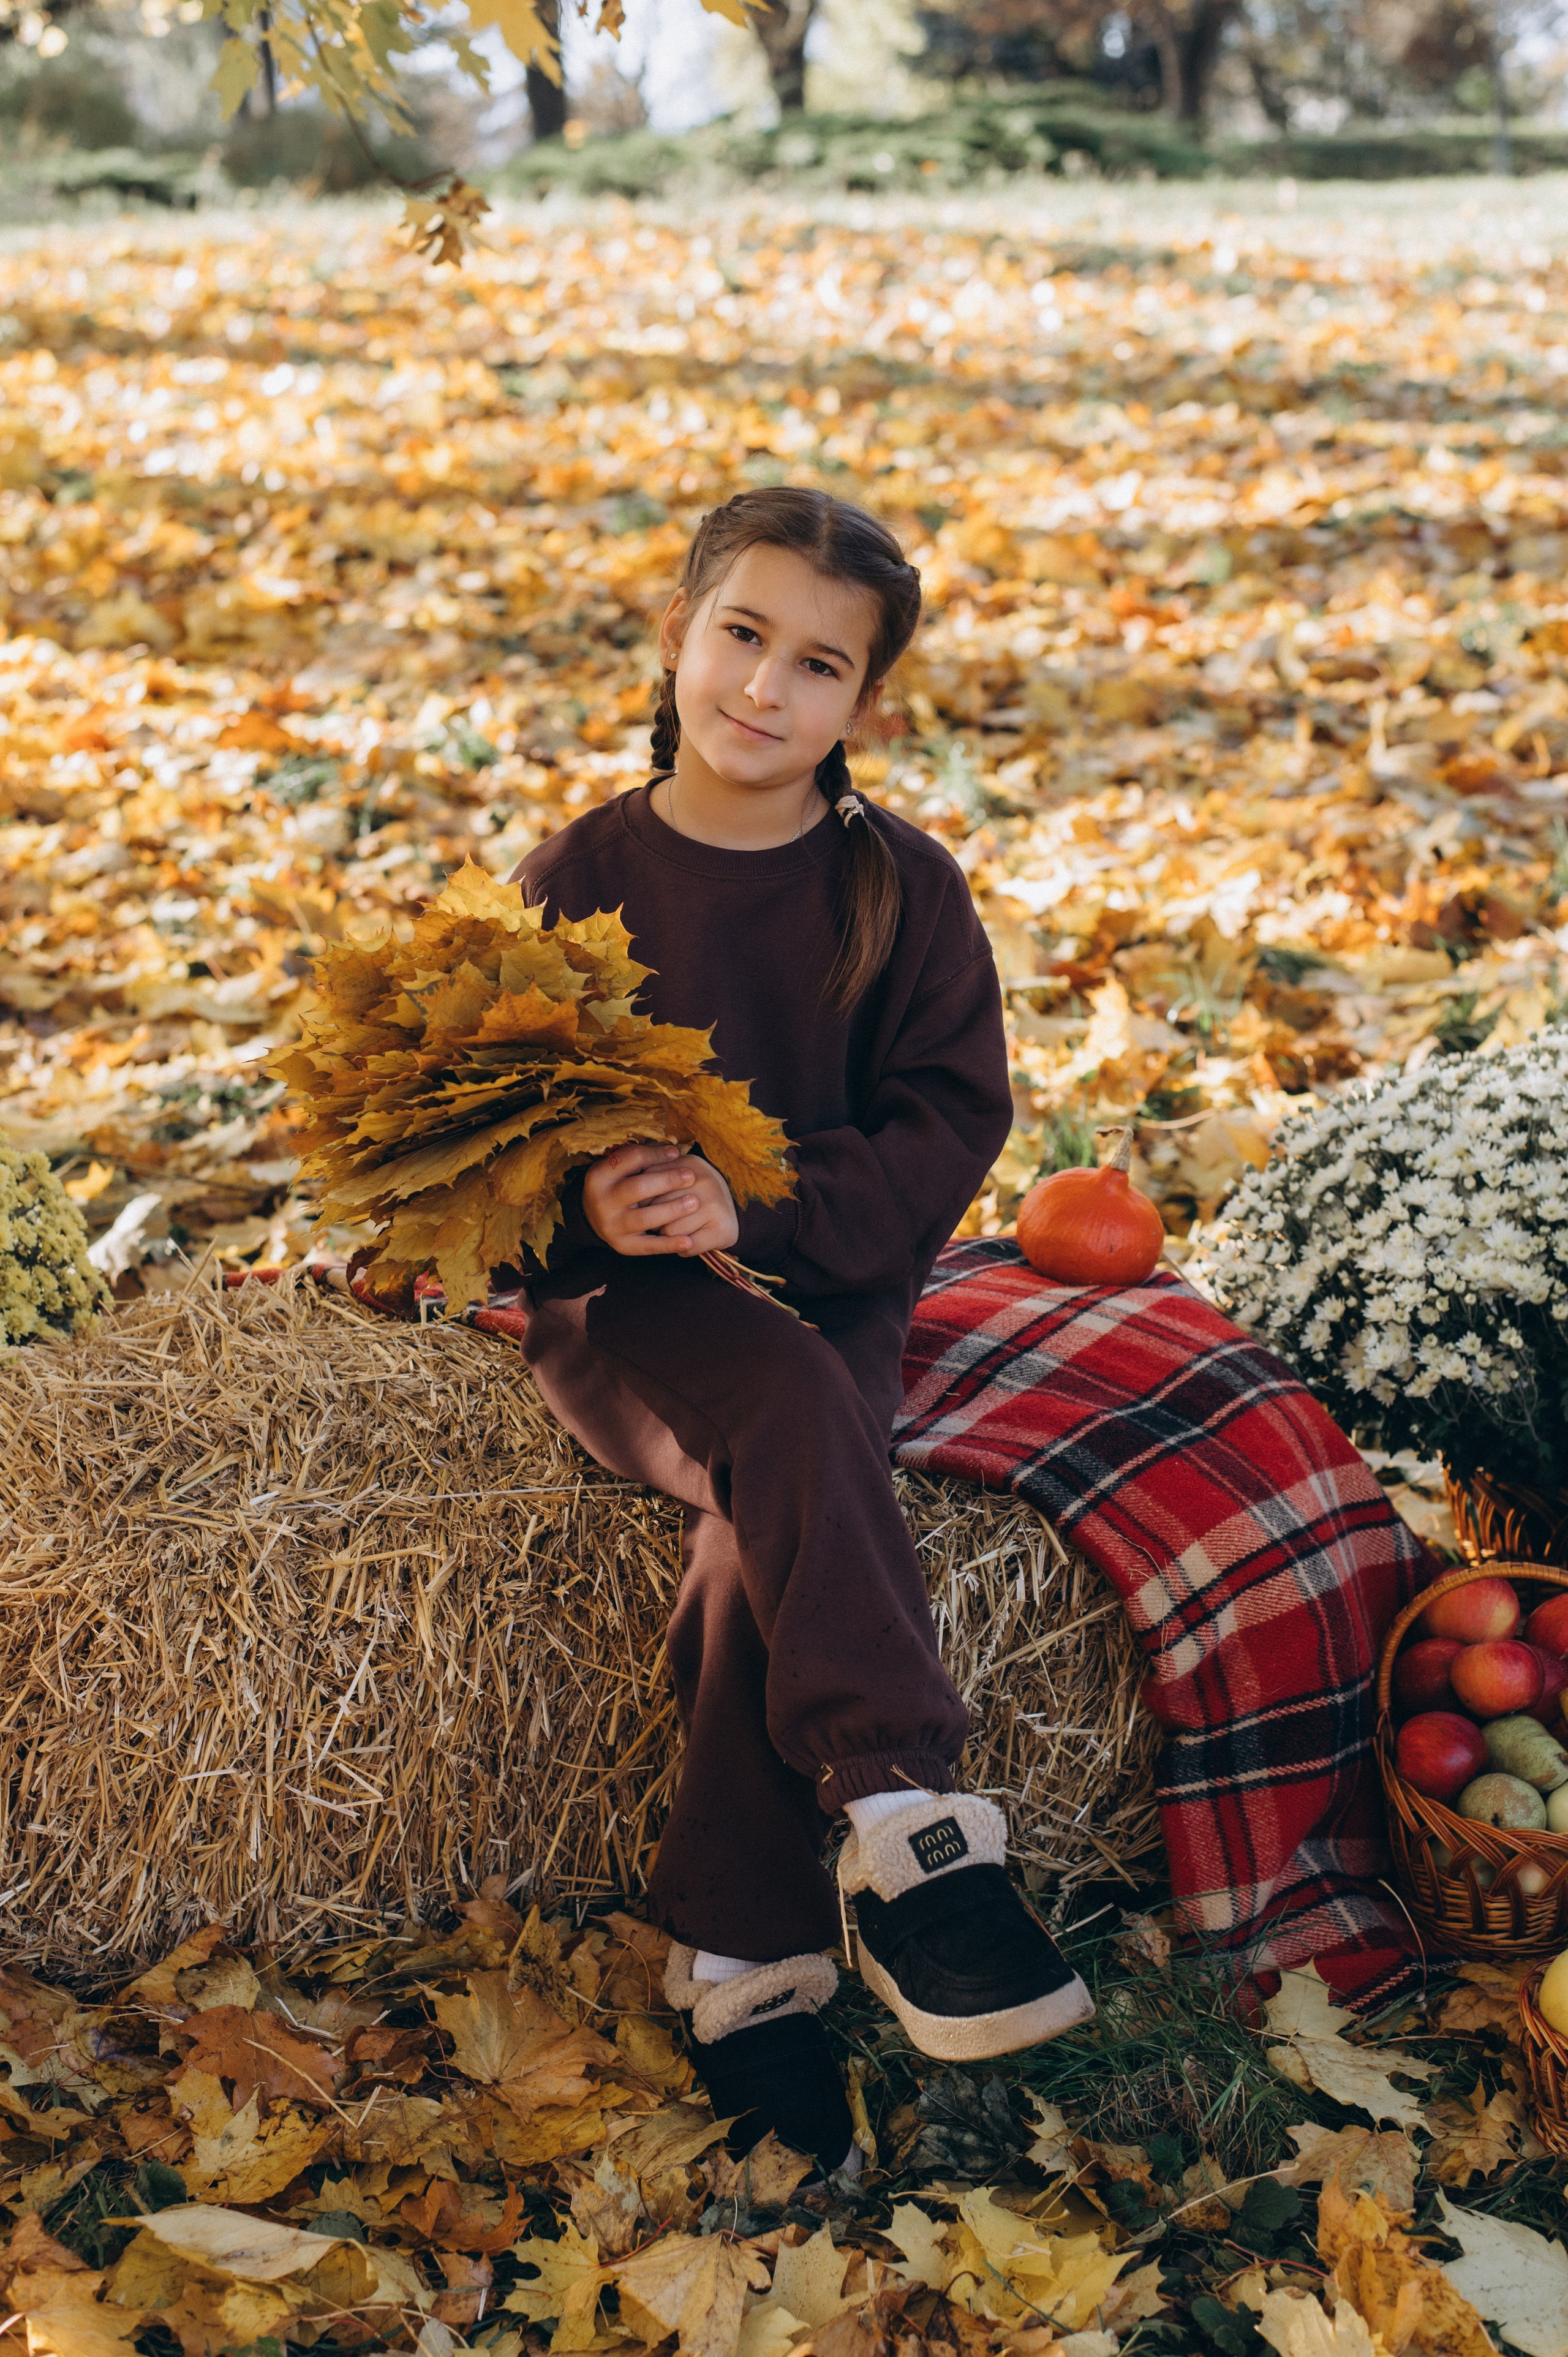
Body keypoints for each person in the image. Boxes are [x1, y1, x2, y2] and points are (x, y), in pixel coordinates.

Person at [513, 486, 1093, 2175]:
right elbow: (487, 1134)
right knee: (773, 1410)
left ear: (866, 703)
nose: (766, 687)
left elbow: (944, 1124)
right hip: (635, 1313)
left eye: (819, 663)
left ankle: (741, 1949)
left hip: (830, 1282)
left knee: (766, 1516)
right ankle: (906, 1805)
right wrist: (599, 1206)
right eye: (742, 635)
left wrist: (757, 1206)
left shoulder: (900, 891)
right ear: (679, 633)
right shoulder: (581, 876)